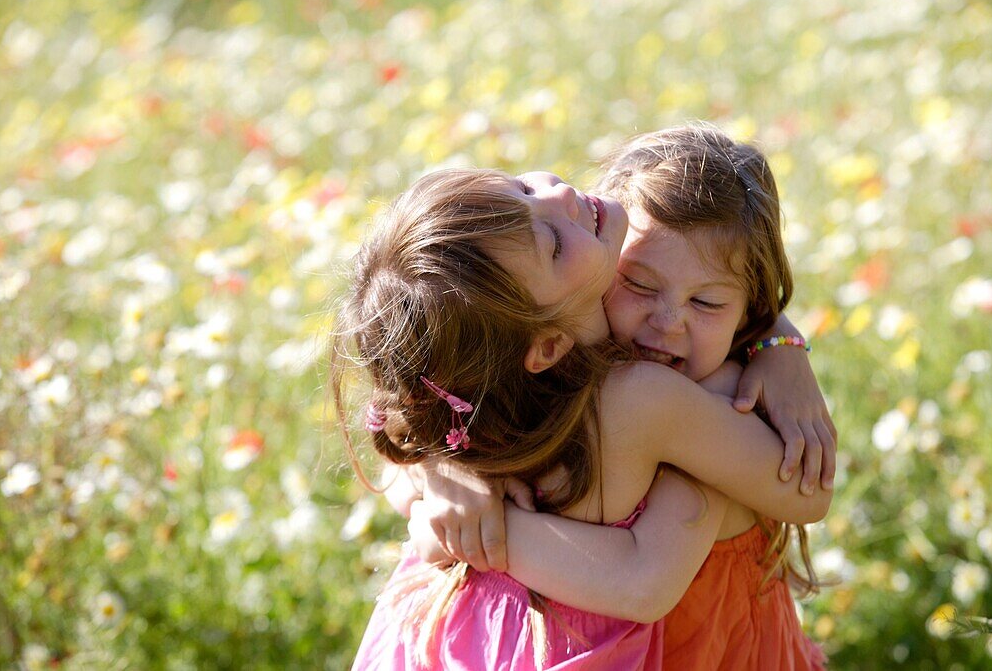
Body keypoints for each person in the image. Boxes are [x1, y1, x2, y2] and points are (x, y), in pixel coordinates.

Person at [332, 165, 832, 670]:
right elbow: (806, 491)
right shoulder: (649, 397)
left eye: (524, 186)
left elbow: (400, 443)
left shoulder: (492, 363)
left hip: (441, 637)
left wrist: (778, 340)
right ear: (547, 346)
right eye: (552, 244)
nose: (561, 193)